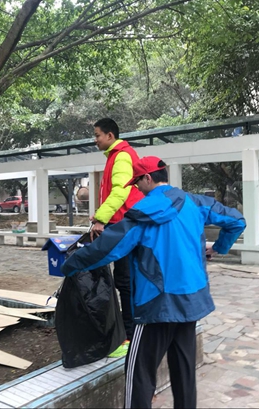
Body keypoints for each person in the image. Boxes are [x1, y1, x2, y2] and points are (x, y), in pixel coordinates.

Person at [61, 156, 246, 409]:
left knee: (139, 373)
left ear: (148, 178)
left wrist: (69, 265)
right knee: (184, 371)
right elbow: (237, 220)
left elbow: (106, 248)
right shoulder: (196, 203)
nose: (136, 188)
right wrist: (219, 248)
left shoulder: (143, 214)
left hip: (156, 305)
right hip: (191, 301)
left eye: (137, 182)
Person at [91, 117, 144, 357]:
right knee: (126, 280)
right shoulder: (117, 156)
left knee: (125, 281)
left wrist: (101, 218)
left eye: (97, 135)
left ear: (110, 135)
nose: (95, 140)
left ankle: (131, 337)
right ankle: (131, 331)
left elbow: (120, 192)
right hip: (124, 224)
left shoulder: (122, 156)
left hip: (125, 226)